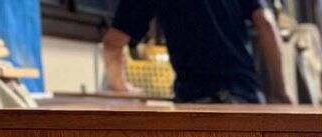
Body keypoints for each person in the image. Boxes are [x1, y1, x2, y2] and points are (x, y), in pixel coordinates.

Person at [102, 0, 293, 105]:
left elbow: (112, 44)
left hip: (196, 101)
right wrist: (280, 92)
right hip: (244, 96)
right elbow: (266, 23)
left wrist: (121, 87)